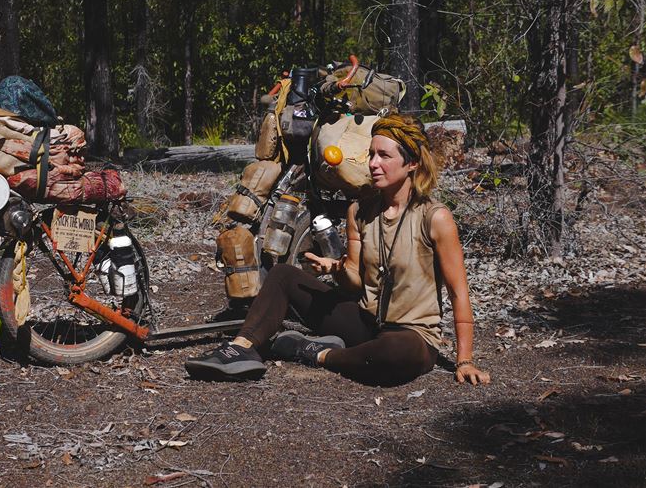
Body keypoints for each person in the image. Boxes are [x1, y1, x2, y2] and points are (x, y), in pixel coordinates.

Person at [185, 114, 490, 387]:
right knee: (282, 276)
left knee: (396, 354)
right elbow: (355, 282)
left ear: (412, 163)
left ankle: (317, 352)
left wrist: (464, 360)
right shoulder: (359, 211)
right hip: (366, 323)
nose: (373, 163)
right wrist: (336, 269)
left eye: (384, 155)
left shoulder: (435, 218)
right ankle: (240, 348)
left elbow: (458, 291)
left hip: (412, 336)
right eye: (371, 154)